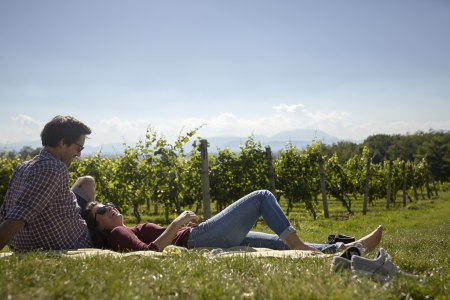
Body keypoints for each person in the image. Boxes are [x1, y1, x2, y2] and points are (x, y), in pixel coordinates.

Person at [82, 189, 383, 254]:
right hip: (198, 238)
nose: (109, 206)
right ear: (99, 226)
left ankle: (350, 248)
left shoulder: (121, 228)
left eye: (107, 203)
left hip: (201, 238)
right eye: (100, 209)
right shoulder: (118, 233)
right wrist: (176, 223)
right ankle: (301, 244)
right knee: (262, 196)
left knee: (280, 245)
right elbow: (147, 253)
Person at [0, 115, 95, 251]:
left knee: (87, 182)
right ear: (63, 143)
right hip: (76, 241)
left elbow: (5, 212)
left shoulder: (23, 167)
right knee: (112, 222)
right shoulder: (54, 168)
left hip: (55, 226)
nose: (79, 154)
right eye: (79, 148)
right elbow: (18, 217)